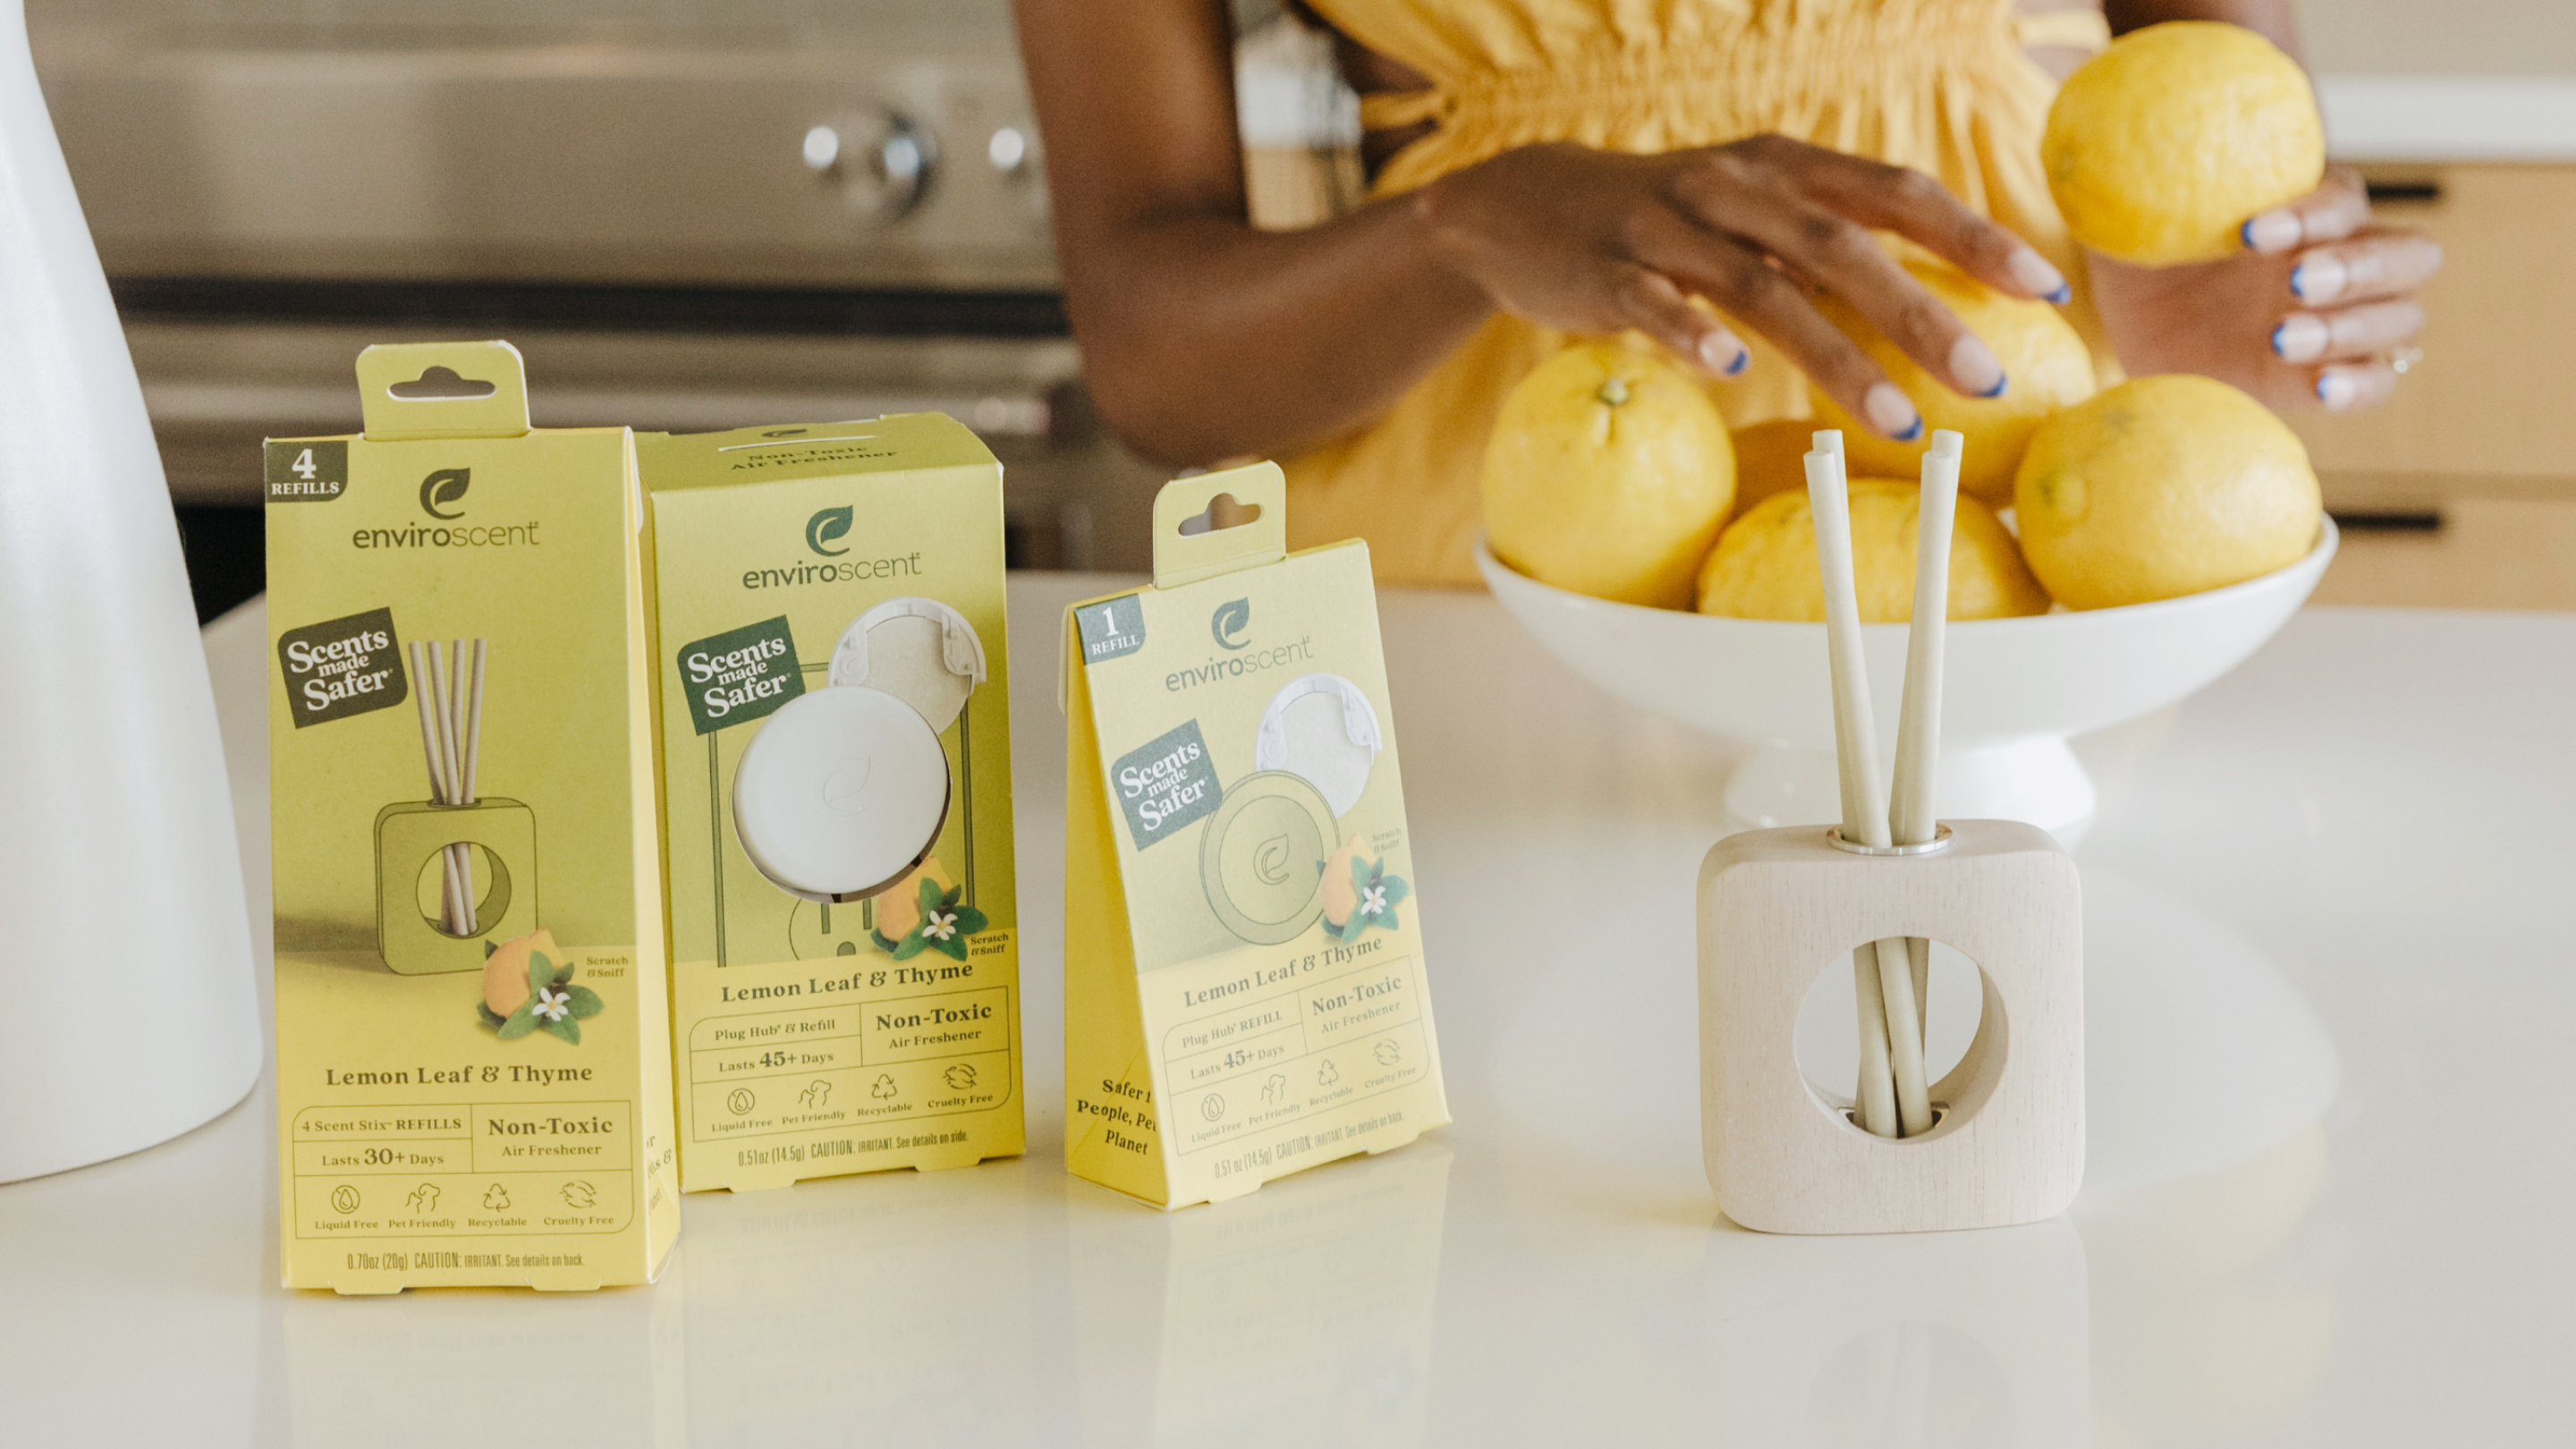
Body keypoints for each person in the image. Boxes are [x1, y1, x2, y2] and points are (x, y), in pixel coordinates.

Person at [1015, 0, 2443, 585]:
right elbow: (1153, 364)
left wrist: (2209, 280)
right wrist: (1458, 229)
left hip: (2006, 541)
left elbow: (2211, 87)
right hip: (1496, 565)